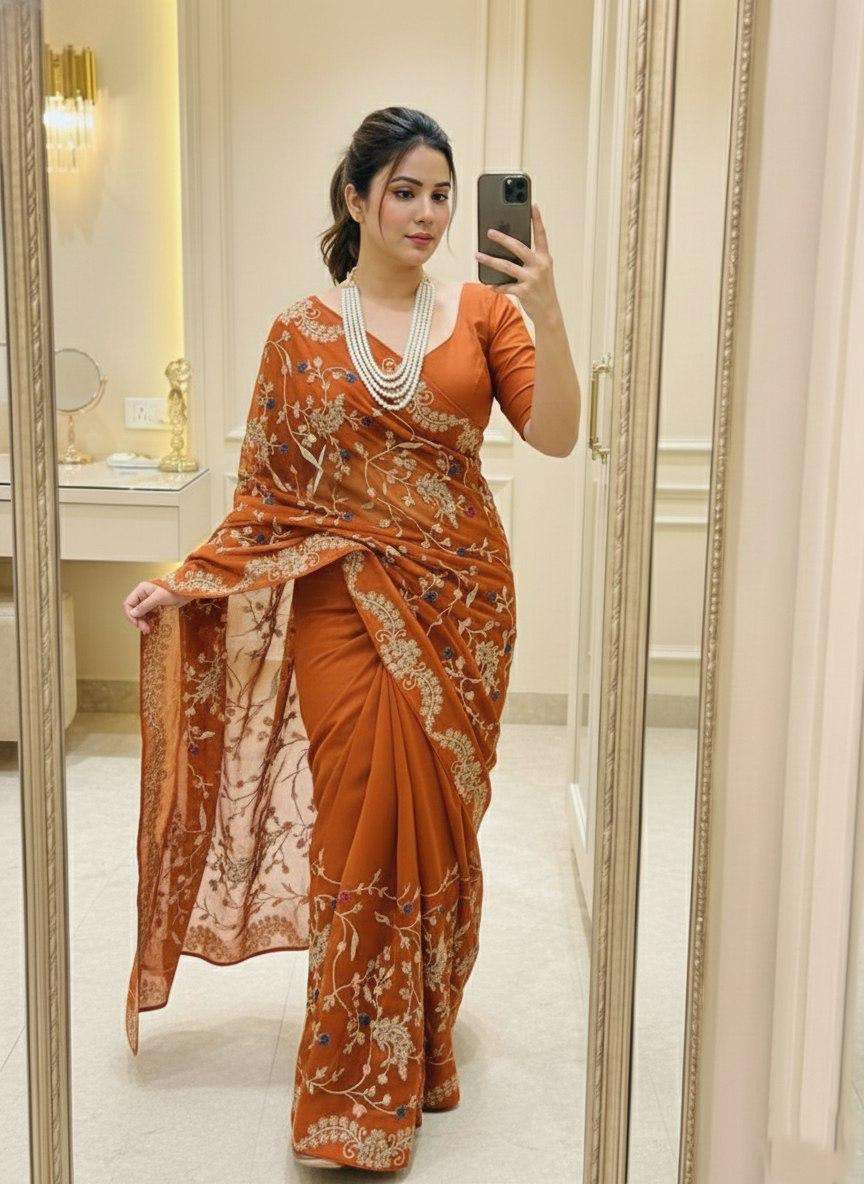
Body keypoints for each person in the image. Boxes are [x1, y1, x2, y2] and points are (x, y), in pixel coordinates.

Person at [121, 105, 579, 1172]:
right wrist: (189, 580)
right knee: (360, 818)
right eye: (406, 191)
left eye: (442, 194)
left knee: (440, 834)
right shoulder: (299, 333)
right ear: (357, 198)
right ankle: (349, 1089)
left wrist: (548, 309)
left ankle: (420, 1041)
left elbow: (556, 434)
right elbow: (268, 499)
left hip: (463, 608)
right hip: (342, 610)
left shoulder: (483, 313)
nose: (427, 213)